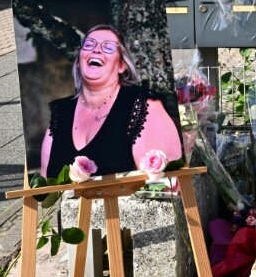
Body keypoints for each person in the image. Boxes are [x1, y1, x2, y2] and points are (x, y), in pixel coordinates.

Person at [41, 24, 182, 178]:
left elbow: (168, 182)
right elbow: (44, 184)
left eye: (108, 47)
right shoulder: (61, 111)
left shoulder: (142, 106)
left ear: (122, 65)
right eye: (89, 44)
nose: (96, 50)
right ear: (79, 60)